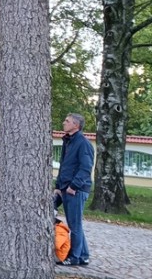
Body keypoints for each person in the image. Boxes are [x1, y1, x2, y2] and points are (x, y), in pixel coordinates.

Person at [55, 113, 94, 267]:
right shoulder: (68, 141)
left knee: (74, 225)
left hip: (76, 190)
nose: (64, 123)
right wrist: (58, 186)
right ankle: (84, 256)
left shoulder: (83, 143)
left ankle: (74, 257)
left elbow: (86, 168)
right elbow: (64, 165)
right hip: (65, 187)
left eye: (67, 121)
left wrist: (74, 186)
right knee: (75, 223)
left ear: (76, 125)